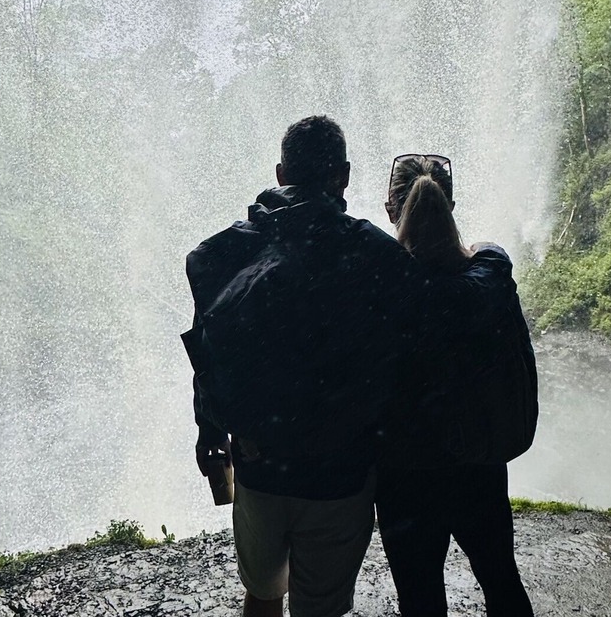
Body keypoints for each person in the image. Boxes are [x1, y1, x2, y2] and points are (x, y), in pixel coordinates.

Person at [182, 118, 511, 617]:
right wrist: (492, 259)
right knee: (321, 608)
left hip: (258, 467)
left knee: (263, 595)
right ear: (344, 176)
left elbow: (208, 350)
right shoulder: (372, 253)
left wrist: (210, 429)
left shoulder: (217, 252)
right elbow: (448, 303)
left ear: (280, 172)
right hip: (339, 474)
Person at [375, 154, 535, 617]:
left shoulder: (378, 289)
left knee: (421, 600)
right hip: (477, 462)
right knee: (501, 580)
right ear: (451, 204)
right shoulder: (490, 275)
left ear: (390, 209)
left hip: (404, 474)